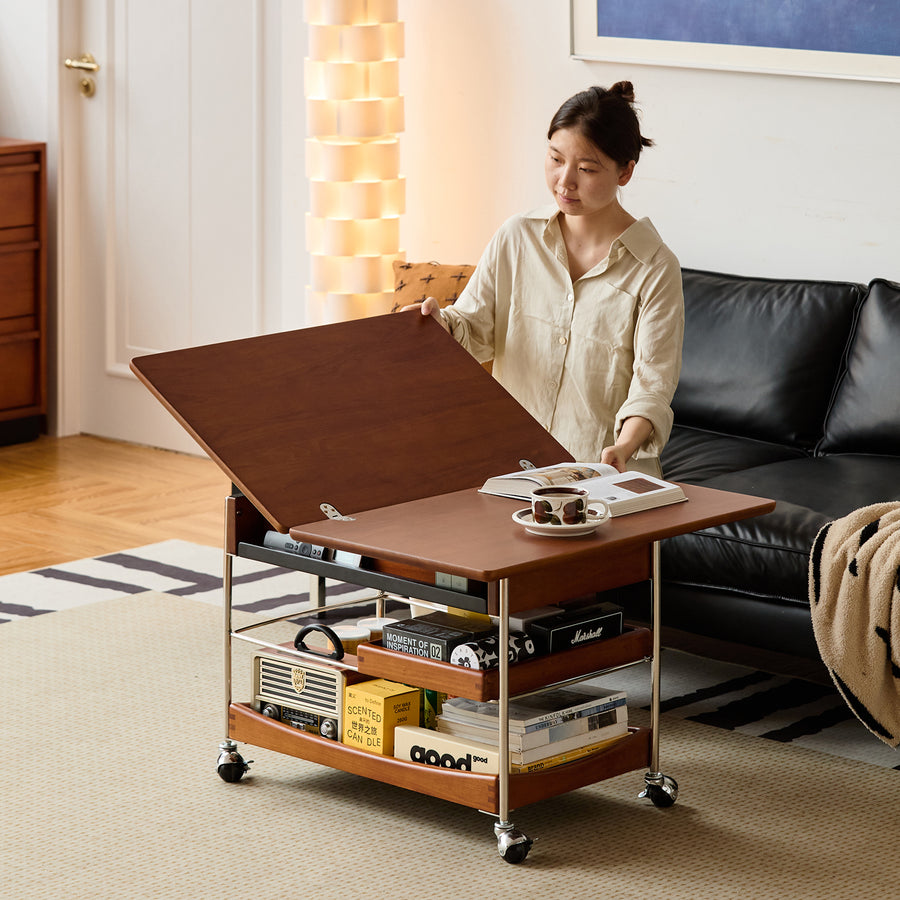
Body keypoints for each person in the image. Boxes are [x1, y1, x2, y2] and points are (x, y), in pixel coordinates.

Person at [410, 82, 683, 477]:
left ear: (625, 172)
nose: (565, 181)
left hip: (604, 478)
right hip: (513, 470)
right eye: (555, 159)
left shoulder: (654, 268)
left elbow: (652, 387)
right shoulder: (517, 237)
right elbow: (473, 329)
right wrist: (438, 326)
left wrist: (623, 448)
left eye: (587, 169)